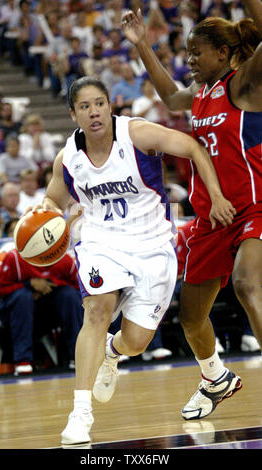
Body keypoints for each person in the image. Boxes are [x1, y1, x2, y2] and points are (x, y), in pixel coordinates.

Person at [26, 76, 236, 445]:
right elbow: (53, 200)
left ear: (110, 106)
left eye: (100, 103)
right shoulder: (69, 157)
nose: (95, 112)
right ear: (72, 113)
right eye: (85, 106)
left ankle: (112, 350)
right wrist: (45, 218)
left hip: (152, 246)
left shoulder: (136, 133)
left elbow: (192, 147)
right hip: (101, 242)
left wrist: (216, 196)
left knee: (137, 341)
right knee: (96, 312)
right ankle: (80, 413)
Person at [121, 0, 262, 420]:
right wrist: (142, 43)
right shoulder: (200, 95)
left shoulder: (245, 85)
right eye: (186, 54)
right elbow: (169, 94)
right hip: (211, 218)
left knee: (248, 284)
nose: (190, 60)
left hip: (254, 206)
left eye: (196, 53)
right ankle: (215, 378)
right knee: (190, 316)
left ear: (222, 52)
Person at [0, 249, 84, 376]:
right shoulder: (14, 258)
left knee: (69, 295)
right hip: (15, 314)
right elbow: (0, 290)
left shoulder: (65, 260)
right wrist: (28, 284)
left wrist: (51, 284)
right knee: (23, 297)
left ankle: (79, 355)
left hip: (49, 313)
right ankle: (22, 360)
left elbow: (78, 288)